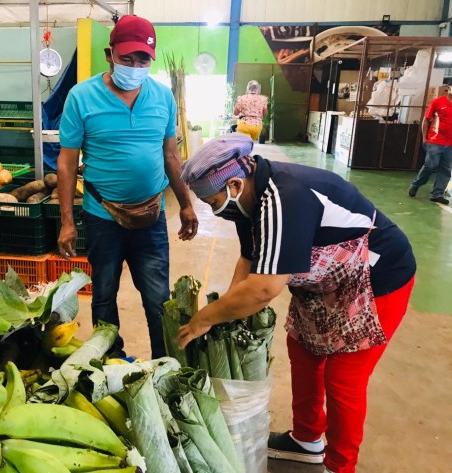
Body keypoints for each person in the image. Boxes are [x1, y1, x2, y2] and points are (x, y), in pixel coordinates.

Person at [177, 133, 416, 473]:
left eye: (213, 201)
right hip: (325, 284)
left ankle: (339, 465)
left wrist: (207, 317)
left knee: (343, 377)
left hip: (377, 280)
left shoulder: (284, 196)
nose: (215, 210)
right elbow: (249, 258)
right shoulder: (250, 197)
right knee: (303, 350)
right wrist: (228, 306)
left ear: (233, 184)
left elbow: (263, 289)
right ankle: (307, 439)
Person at [56, 15, 198, 359]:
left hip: (151, 217)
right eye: (127, 58)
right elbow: (66, 162)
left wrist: (187, 203)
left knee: (157, 299)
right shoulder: (81, 97)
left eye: (142, 59)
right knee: (104, 294)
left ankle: (163, 365)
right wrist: (67, 221)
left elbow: (170, 155)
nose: (135, 66)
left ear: (151, 58)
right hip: (102, 217)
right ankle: (111, 361)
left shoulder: (162, 98)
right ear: (110, 54)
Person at [408, 86, 452, 205]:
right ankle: (416, 184)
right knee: (431, 165)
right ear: (449, 88)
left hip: (450, 144)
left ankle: (437, 194)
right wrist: (424, 138)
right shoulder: (437, 102)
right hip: (435, 141)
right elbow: (426, 119)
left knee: (446, 169)